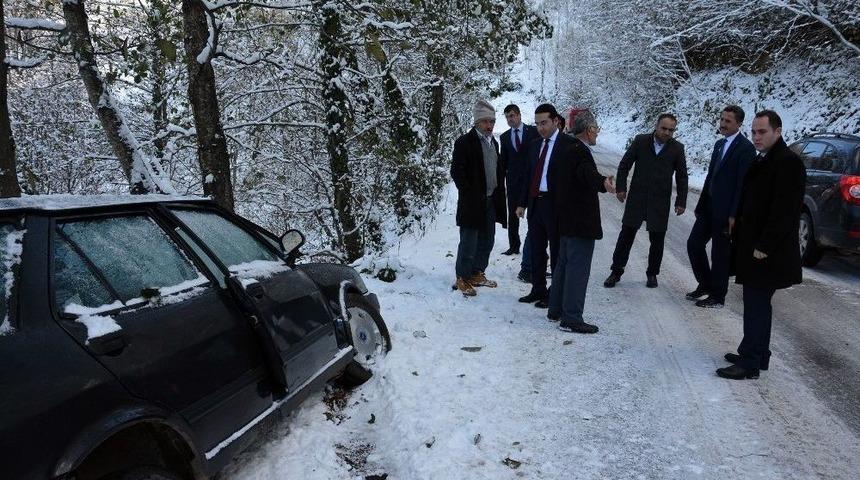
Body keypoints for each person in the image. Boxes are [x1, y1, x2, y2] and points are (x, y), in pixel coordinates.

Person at [717, 110, 805, 380]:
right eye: (754, 132)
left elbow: (785, 211)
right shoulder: (765, 158)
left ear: (777, 131)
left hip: (768, 251)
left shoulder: (787, 162)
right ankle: (756, 353)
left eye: (762, 132)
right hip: (754, 245)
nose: (756, 137)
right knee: (758, 303)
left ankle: (750, 363)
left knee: (756, 304)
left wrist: (764, 245)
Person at [548, 112, 615, 333]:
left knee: (563, 265)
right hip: (580, 221)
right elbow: (586, 173)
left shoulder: (564, 147)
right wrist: (603, 182)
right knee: (577, 269)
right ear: (589, 130)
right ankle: (571, 318)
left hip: (565, 218)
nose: (597, 133)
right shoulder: (580, 151)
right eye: (596, 129)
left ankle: (556, 309)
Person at [604, 114, 688, 289]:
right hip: (637, 198)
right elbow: (625, 164)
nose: (667, 132)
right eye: (664, 128)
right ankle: (616, 271)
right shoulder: (641, 141)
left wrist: (681, 201)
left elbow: (682, 177)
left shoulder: (677, 148)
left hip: (659, 201)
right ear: (656, 126)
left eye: (671, 130)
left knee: (657, 240)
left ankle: (652, 274)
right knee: (626, 236)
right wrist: (621, 187)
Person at [686, 105, 755, 308]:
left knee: (720, 254)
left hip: (726, 212)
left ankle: (718, 296)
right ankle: (705, 284)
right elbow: (711, 176)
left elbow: (742, 184)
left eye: (728, 121)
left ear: (739, 124)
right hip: (709, 206)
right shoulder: (719, 144)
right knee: (694, 244)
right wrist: (701, 204)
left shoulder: (746, 149)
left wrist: (734, 214)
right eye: (722, 119)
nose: (723, 124)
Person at [450, 99, 508, 296]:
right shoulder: (464, 142)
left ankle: (476, 272)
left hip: (491, 200)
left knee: (487, 240)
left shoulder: (493, 143)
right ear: (476, 122)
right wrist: (468, 192)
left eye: (492, 121)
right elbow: (457, 171)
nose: (489, 125)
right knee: (469, 241)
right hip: (472, 202)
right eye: (485, 121)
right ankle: (462, 277)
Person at [516, 103, 572, 308]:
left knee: (556, 251)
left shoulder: (567, 145)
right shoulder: (534, 145)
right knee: (537, 250)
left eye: (544, 123)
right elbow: (529, 175)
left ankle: (554, 294)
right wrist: (522, 203)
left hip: (555, 205)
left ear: (556, 121)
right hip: (535, 203)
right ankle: (537, 289)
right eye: (537, 124)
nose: (540, 128)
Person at [499, 104, 538, 261]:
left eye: (512, 115)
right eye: (507, 117)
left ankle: (535, 245)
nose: (510, 119)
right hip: (513, 182)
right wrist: (500, 182)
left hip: (532, 180)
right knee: (513, 215)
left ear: (519, 115)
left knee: (534, 214)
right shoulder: (505, 137)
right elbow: (503, 162)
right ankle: (514, 245)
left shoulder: (533, 132)